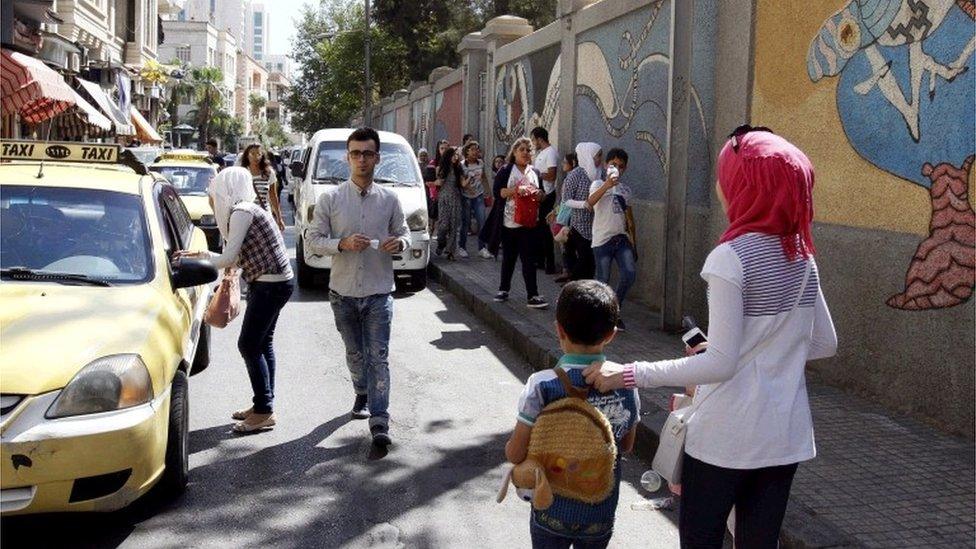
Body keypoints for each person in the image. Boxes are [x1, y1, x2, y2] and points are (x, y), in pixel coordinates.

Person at [584, 127, 838, 548]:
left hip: (726, 437)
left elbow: (719, 363)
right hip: (784, 437)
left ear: (745, 184)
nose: (721, 184)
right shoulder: (801, 253)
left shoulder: (731, 257)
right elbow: (823, 342)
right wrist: (759, 352)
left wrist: (627, 373)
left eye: (727, 174)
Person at [506, 280, 639, 548]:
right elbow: (626, 445)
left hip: (551, 508)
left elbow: (515, 453)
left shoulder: (542, 384)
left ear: (559, 330)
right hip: (599, 511)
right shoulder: (626, 383)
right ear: (611, 334)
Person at [305, 127, 411, 447]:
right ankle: (361, 391)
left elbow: (405, 234)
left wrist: (399, 243)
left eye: (367, 153)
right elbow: (312, 240)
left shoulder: (390, 199)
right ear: (347, 158)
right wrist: (343, 243)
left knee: (378, 355)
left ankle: (380, 420)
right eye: (355, 153)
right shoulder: (331, 198)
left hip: (379, 291)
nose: (361, 159)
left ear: (377, 158)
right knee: (355, 354)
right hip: (343, 292)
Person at [176, 167, 294, 433]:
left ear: (226, 190)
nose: (212, 198)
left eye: (214, 193)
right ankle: (264, 403)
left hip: (270, 285)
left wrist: (198, 263)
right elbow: (236, 253)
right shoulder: (247, 209)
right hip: (273, 282)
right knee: (263, 344)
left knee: (249, 345)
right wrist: (200, 253)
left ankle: (264, 410)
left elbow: (228, 258)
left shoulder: (242, 212)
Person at [487, 137, 548, 308]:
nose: (526, 153)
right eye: (522, 150)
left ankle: (533, 295)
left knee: (529, 260)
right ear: (514, 152)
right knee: (509, 257)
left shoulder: (534, 172)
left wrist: (539, 195)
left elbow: (542, 194)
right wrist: (516, 190)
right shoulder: (506, 170)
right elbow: (499, 192)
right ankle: (503, 289)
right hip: (509, 222)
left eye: (529, 150)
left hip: (530, 223)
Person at [587, 148, 637, 331]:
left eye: (621, 166)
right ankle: (600, 316)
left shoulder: (625, 190)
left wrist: (634, 242)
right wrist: (607, 185)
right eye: (613, 164)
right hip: (602, 240)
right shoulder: (598, 183)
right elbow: (590, 202)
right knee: (602, 280)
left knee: (629, 274)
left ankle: (614, 311)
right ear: (606, 165)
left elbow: (629, 218)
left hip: (621, 239)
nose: (617, 168)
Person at [561, 143, 601, 280]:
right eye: (597, 156)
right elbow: (566, 200)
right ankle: (573, 285)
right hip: (579, 225)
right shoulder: (575, 175)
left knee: (590, 263)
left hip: (595, 224)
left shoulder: (598, 173)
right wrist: (584, 204)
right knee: (585, 259)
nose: (599, 159)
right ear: (588, 156)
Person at [530, 127, 559, 274]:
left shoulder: (551, 153)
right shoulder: (541, 153)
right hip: (538, 194)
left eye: (534, 139)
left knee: (545, 230)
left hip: (547, 195)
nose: (533, 143)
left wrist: (537, 174)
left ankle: (550, 263)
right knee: (538, 229)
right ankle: (540, 260)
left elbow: (552, 175)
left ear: (540, 139)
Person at [239, 144, 285, 231]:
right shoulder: (242, 173)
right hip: (247, 217)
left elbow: (273, 196)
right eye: (252, 154)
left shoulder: (269, 173)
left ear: (262, 156)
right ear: (247, 155)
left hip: (264, 216)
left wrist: (279, 218)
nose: (255, 157)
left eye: (258, 154)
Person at [459, 141, 491, 259]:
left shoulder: (481, 163)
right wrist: (469, 189)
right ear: (466, 151)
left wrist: (488, 190)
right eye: (472, 149)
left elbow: (483, 177)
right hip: (466, 197)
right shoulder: (462, 165)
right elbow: (461, 181)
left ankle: (482, 248)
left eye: (477, 149)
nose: (475, 151)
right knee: (465, 222)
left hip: (479, 195)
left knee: (482, 221)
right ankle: (462, 247)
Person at [551, 153, 578, 284]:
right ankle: (566, 272)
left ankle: (570, 274)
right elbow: (563, 199)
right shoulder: (568, 177)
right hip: (563, 214)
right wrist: (555, 211)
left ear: (572, 163)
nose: (562, 165)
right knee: (565, 247)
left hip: (569, 217)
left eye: (565, 162)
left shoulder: (574, 178)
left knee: (569, 247)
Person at [434, 146, 463, 260]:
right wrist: (435, 182)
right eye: (454, 155)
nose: (456, 157)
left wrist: (470, 180)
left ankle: (450, 252)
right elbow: (438, 182)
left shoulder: (458, 168)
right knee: (443, 225)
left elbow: (462, 183)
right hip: (444, 198)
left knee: (454, 225)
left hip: (455, 198)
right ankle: (441, 243)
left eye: (457, 155)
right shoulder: (441, 168)